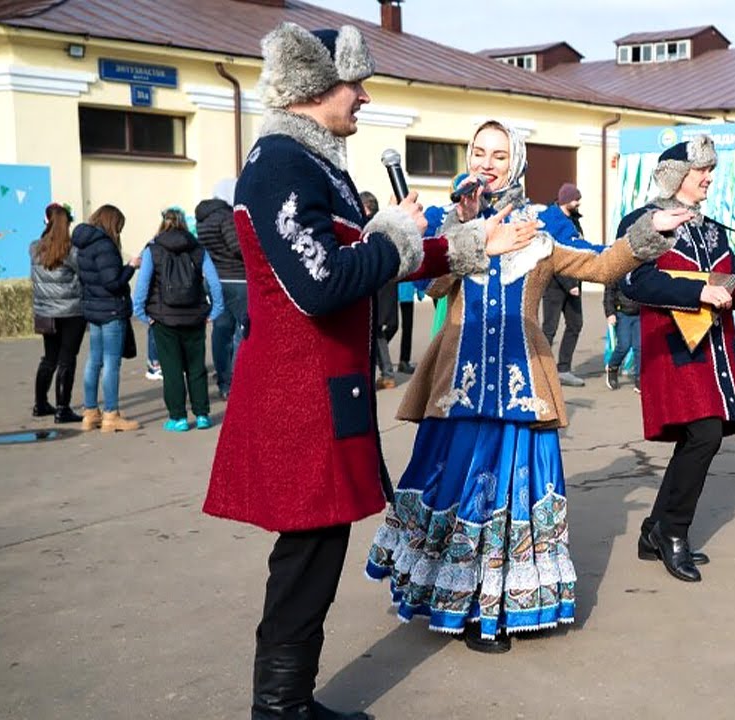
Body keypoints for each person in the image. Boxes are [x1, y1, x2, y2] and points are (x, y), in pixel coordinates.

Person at [201, 23, 526, 719]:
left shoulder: (313, 161)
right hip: (299, 396)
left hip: (326, 390)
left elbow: (375, 257)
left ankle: (290, 699)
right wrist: (399, 237)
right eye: (355, 85)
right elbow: (321, 282)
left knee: (317, 555)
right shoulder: (283, 163)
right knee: (305, 558)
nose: (364, 97)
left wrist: (467, 243)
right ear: (316, 86)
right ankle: (279, 707)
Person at [364, 120, 677, 652]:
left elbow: (599, 264)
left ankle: (498, 607)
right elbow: (425, 284)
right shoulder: (448, 220)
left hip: (520, 386)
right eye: (479, 152)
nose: (487, 163)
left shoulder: (542, 226)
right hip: (458, 387)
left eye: (500, 155)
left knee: (508, 498)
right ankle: (452, 602)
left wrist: (649, 232)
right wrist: (458, 233)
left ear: (518, 162)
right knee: (457, 490)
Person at [617, 135, 735, 583]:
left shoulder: (712, 228)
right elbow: (633, 282)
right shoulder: (642, 221)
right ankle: (674, 534)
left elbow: (724, 285)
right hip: (673, 348)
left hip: (715, 350)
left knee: (700, 438)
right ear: (676, 176)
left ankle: (655, 529)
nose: (709, 177)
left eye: (710, 170)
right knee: (704, 434)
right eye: (701, 170)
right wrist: (695, 291)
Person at [132, 207, 225, 431]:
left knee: (172, 369)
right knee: (196, 368)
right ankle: (202, 415)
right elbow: (214, 282)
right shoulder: (198, 249)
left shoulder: (152, 250)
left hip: (164, 320)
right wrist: (215, 311)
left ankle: (178, 418)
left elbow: (142, 286)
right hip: (195, 318)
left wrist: (143, 315)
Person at [73, 204, 141, 433]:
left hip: (93, 308)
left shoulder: (83, 244)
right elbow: (113, 282)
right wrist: (131, 267)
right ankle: (111, 414)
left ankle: (90, 412)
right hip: (111, 309)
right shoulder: (105, 246)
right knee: (111, 362)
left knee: (94, 360)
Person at [29, 202, 86, 423]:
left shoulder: (35, 248)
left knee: (49, 358)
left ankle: (40, 403)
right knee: (67, 359)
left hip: (45, 311)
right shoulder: (71, 251)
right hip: (70, 311)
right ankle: (63, 408)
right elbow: (83, 274)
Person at [195, 177, 245, 400]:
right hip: (238, 280)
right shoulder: (226, 217)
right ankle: (239, 381)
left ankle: (224, 382)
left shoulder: (203, 219)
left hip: (216, 279)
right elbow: (236, 247)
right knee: (242, 332)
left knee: (221, 332)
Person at [540, 182, 588, 387]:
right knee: (549, 329)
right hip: (555, 285)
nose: (578, 203)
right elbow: (553, 257)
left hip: (574, 283)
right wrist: (569, 284)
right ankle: (539, 370)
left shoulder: (575, 221)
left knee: (575, 324)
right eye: (576, 199)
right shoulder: (553, 221)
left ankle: (564, 369)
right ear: (566, 200)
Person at [361, 191, 400, 389]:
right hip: (388, 285)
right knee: (380, 332)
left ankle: (386, 374)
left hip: (376, 287)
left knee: (376, 333)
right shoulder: (383, 225)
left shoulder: (368, 227)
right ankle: (385, 373)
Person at [603, 264, 641, 391]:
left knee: (639, 347)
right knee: (624, 345)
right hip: (622, 312)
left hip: (640, 313)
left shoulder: (643, 266)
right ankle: (612, 368)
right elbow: (609, 292)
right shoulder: (617, 268)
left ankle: (639, 378)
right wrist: (610, 313)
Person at [396, 279, 416, 374]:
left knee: (407, 327)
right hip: (391, 290)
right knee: (392, 326)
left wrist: (420, 291)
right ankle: (378, 352)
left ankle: (404, 361)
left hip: (407, 292)